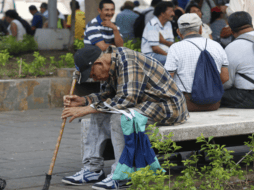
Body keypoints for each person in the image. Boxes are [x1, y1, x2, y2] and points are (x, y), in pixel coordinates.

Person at [61, 44, 189, 189]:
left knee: (120, 118)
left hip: (166, 106)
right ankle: (93, 169)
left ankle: (123, 174)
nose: (94, 78)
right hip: (143, 103)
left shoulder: (128, 61)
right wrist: (84, 101)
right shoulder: (109, 65)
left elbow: (126, 100)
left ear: (99, 63)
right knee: (98, 114)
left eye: (92, 74)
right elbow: (107, 97)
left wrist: (87, 109)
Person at [165, 13, 229, 111]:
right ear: (200, 29)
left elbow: (168, 79)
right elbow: (225, 77)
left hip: (187, 104)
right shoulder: (217, 46)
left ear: (178, 31)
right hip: (214, 103)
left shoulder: (175, 48)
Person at [221, 11, 254, 108]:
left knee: (215, 95)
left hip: (249, 96)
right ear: (251, 24)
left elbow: (227, 82)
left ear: (231, 31)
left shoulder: (231, 48)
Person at [141, 1, 175, 65]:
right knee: (172, 61)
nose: (173, 14)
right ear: (162, 13)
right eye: (171, 11)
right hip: (150, 55)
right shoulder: (153, 25)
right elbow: (155, 49)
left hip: (164, 53)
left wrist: (164, 41)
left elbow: (172, 44)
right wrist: (170, 57)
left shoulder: (168, 23)